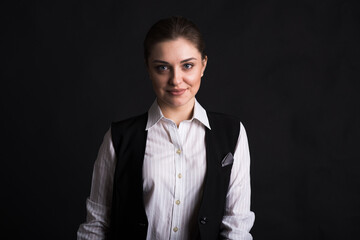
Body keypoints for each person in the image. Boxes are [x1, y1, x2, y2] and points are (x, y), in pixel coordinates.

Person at [77, 16, 255, 240]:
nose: (176, 80)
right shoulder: (119, 137)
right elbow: (96, 226)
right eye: (163, 68)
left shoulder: (232, 133)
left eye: (187, 65)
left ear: (203, 65)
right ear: (148, 69)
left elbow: (236, 228)